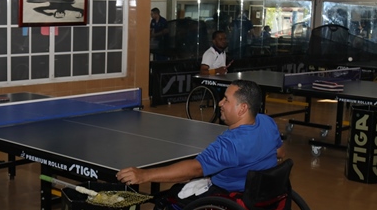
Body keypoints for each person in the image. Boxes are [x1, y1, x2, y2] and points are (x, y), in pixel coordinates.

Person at [117, 80, 283, 192]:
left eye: (226, 100)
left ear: (242, 108)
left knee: (171, 198)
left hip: (232, 195)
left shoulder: (231, 144)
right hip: (263, 193)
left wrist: (144, 175)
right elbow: (280, 153)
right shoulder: (267, 122)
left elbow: (196, 168)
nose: (220, 103)